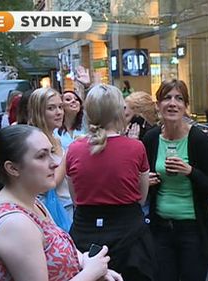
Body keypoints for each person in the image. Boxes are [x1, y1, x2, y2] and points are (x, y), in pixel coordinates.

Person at [0, 125, 122, 281]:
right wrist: (91, 272)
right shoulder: (14, 224)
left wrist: (87, 262)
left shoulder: (31, 202)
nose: (54, 163)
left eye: (51, 152)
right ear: (12, 168)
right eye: (41, 156)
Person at [66, 84, 155, 281]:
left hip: (85, 232)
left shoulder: (73, 149)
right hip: (128, 234)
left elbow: (76, 198)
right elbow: (141, 197)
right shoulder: (135, 148)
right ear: (118, 112)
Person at [142, 79, 208, 281]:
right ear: (158, 104)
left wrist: (190, 172)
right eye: (167, 98)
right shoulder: (151, 139)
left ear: (185, 106)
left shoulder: (198, 139)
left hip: (193, 232)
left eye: (179, 99)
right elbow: (140, 185)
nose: (173, 103)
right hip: (160, 229)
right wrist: (147, 182)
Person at [28, 88, 72, 230]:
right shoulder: (33, 141)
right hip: (50, 210)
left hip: (67, 206)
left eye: (60, 106)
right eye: (51, 108)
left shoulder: (56, 139)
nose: (59, 112)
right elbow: (49, 183)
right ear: (38, 111)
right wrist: (70, 154)